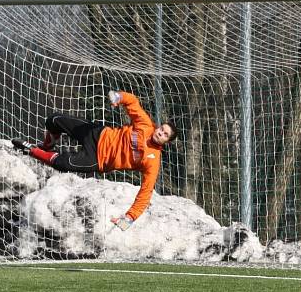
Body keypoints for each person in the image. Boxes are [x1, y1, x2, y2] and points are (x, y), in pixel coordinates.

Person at [12, 90, 178, 230]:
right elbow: (133, 102)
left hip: (98, 159)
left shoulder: (152, 161)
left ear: (167, 142)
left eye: (165, 135)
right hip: (98, 134)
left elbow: (146, 192)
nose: (160, 133)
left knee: (62, 163)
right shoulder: (145, 125)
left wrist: (129, 218)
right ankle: (48, 146)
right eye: (161, 129)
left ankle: (31, 151)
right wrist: (119, 97)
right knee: (54, 120)